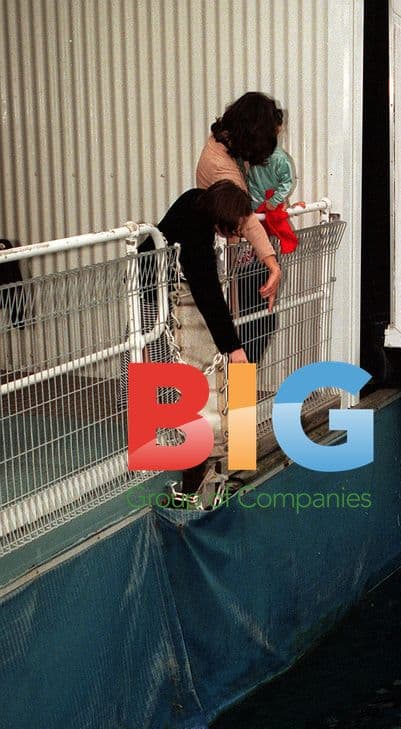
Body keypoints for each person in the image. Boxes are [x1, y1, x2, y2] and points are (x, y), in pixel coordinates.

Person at [138, 180, 253, 500]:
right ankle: (171, 452)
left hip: (162, 287)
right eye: (236, 229)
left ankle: (214, 454)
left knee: (170, 374)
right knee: (158, 367)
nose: (238, 235)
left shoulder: (197, 201)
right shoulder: (197, 236)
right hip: (150, 294)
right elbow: (208, 293)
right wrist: (233, 347)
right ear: (222, 219)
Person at [196, 91, 283, 312]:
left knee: (257, 323)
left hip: (232, 257)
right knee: (247, 325)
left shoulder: (226, 145)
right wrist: (273, 265)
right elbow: (246, 218)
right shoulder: (221, 167)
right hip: (223, 260)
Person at [246, 110, 301, 254]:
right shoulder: (251, 155)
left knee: (270, 248)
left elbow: (287, 182)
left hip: (268, 209)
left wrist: (275, 201)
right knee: (260, 250)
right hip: (256, 209)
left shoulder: (279, 158)